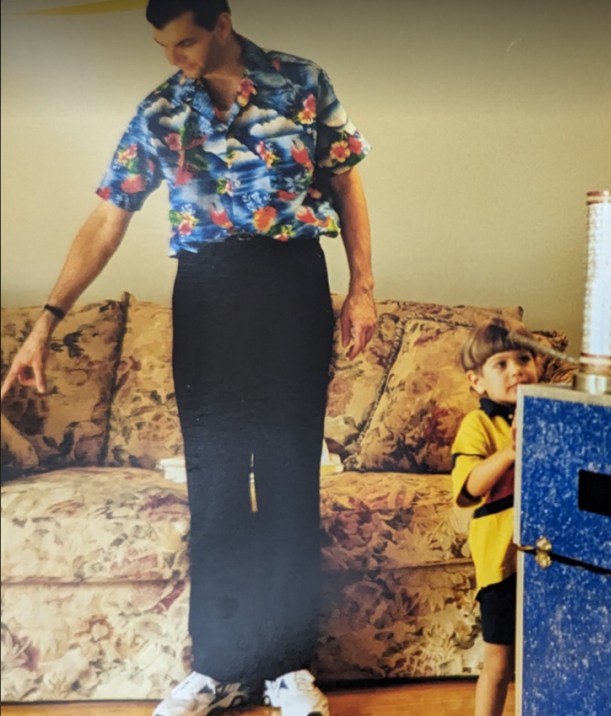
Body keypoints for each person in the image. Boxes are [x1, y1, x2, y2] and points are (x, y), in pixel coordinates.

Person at [0, 2, 375, 715]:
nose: (175, 58)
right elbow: (108, 217)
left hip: (293, 281)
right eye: (163, 46)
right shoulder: (160, 111)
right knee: (216, 479)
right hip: (206, 293)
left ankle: (290, 668)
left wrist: (363, 287)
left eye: (186, 42)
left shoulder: (302, 82)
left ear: (223, 21)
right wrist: (46, 321)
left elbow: (347, 180)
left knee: (290, 474)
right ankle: (220, 665)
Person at [450, 318, 541, 716]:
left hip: (548, 556)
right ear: (477, 382)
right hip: (503, 562)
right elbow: (469, 487)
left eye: (523, 359)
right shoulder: (479, 424)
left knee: (548, 655)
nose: (516, 370)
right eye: (500, 365)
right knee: (499, 662)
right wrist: (510, 452)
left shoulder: (551, 414)